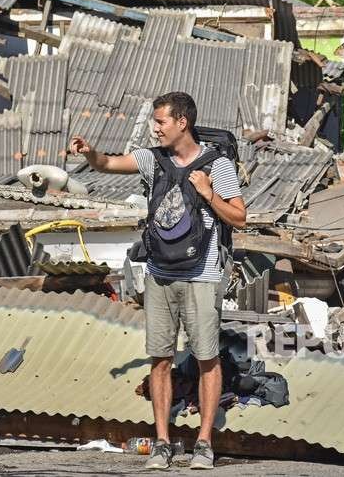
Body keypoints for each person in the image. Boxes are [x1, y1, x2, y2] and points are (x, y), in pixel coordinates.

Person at [69, 91, 246, 470]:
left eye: (161, 121)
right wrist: (89, 153)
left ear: (182, 122)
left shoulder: (218, 166)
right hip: (161, 274)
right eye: (155, 121)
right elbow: (107, 164)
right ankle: (163, 442)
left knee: (206, 359)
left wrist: (208, 193)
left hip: (203, 275)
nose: (155, 128)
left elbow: (240, 218)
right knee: (160, 358)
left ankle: (203, 443)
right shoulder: (153, 159)